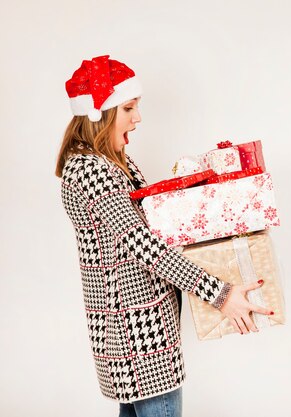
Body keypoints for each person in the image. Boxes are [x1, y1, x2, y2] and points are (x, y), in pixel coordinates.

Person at [55, 55, 274, 417]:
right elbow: (145, 246)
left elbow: (145, 226)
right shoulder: (94, 170)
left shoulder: (110, 162)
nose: (137, 118)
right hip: (136, 337)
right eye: (128, 108)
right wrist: (221, 295)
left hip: (135, 332)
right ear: (100, 114)